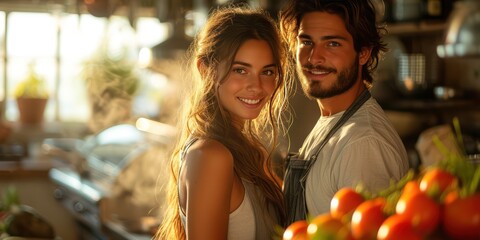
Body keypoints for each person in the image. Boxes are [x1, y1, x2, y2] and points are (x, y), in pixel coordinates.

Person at [155, 5, 290, 240]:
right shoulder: (212, 156)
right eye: (240, 70)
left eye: (267, 72)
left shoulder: (245, 149)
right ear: (205, 70)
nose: (257, 86)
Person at [279, 0, 410, 224]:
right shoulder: (332, 120)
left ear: (364, 53)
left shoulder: (363, 144)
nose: (314, 58)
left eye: (332, 44)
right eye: (306, 42)